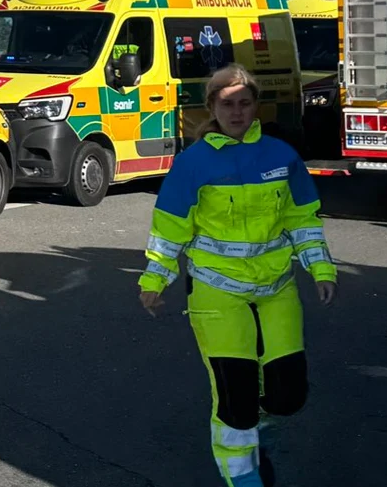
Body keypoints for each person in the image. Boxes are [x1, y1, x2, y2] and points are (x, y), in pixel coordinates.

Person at [138, 63, 337, 487]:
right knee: (235, 400)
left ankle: (257, 422)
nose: (237, 112)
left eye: (245, 103)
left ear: (255, 106)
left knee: (288, 397)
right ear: (212, 107)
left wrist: (321, 268)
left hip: (276, 289)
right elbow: (169, 229)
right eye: (227, 104)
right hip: (217, 292)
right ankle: (243, 476)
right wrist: (154, 280)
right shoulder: (193, 163)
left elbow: (304, 221)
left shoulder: (282, 157)